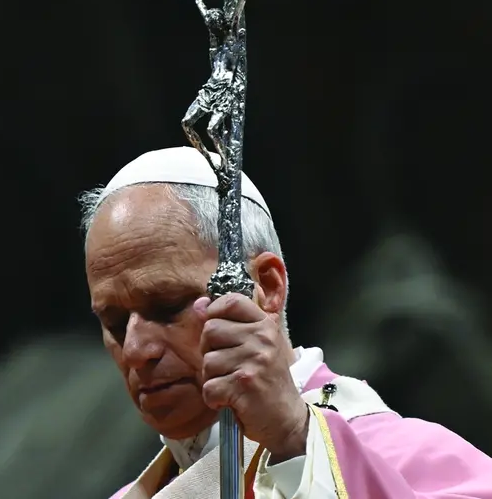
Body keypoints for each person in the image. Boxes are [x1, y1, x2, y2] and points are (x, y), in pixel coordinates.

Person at [81, 146, 492, 498]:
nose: (135, 350)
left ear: (267, 286)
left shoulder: (413, 461)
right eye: (115, 323)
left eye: (169, 306)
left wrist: (293, 438)